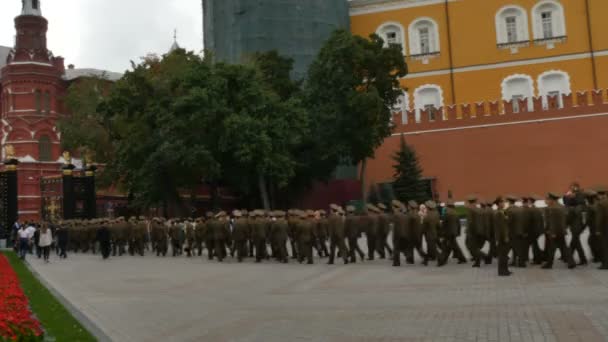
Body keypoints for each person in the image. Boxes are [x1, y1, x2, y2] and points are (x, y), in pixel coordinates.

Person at [542, 192, 576, 269]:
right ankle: (571, 262)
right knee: (564, 247)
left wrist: (553, 232)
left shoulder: (553, 208)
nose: (546, 201)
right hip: (561, 230)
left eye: (547, 199)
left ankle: (549, 264)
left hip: (555, 232)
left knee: (551, 248)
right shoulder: (562, 207)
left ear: (552, 200)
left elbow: (553, 222)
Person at [493, 196, 512, 276]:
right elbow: (501, 227)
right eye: (502, 202)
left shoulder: (502, 212)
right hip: (502, 237)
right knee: (502, 255)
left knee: (504, 254)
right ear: (499, 204)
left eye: (504, 202)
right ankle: (502, 271)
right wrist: (505, 237)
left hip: (504, 236)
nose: (504, 203)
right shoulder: (498, 213)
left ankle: (505, 269)